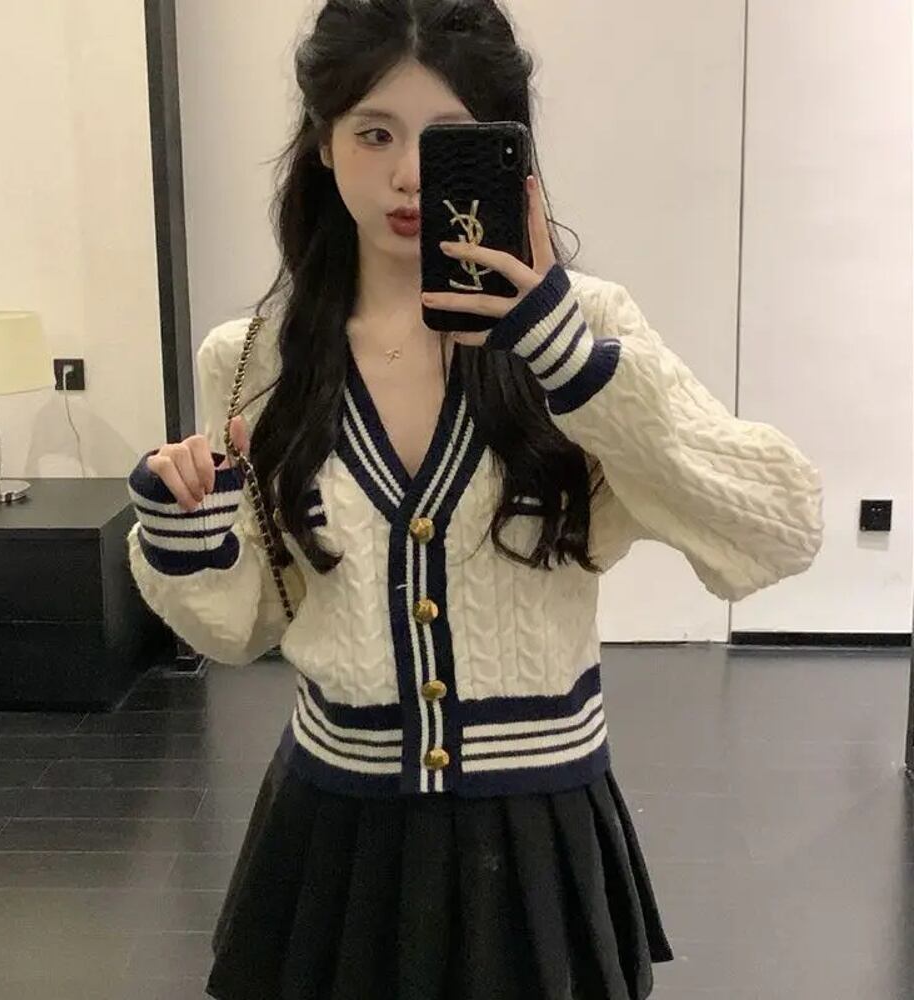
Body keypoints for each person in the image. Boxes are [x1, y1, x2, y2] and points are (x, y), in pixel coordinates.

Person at [125, 2, 825, 998]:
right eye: (374, 133)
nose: (410, 175)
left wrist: (569, 361)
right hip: (336, 837)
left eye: (447, 140)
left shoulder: (588, 329)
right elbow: (249, 626)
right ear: (322, 143)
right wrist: (185, 533)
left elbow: (780, 527)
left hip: (535, 839)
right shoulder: (255, 358)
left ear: (507, 152)